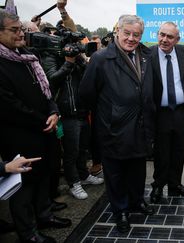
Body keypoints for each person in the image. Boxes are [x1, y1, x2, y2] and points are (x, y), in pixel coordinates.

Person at [0, 9, 72, 243]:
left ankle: (44, 216)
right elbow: (10, 105)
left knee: (44, 176)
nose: (22, 33)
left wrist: (53, 111)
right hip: (18, 136)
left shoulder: (27, 55)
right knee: (24, 186)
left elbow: (46, 90)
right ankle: (28, 233)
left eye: (21, 28)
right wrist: (45, 118)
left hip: (44, 130)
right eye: (14, 30)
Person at [79, 14, 155, 233]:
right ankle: (120, 209)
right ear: (117, 32)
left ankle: (136, 200)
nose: (131, 38)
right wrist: (111, 113)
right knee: (115, 173)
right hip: (114, 128)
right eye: (127, 33)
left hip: (141, 127)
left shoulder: (146, 55)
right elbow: (86, 94)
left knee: (138, 170)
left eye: (136, 34)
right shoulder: (101, 59)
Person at [41, 26, 104, 200]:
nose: (74, 46)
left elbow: (88, 75)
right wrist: (68, 61)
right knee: (71, 152)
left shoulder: (78, 57)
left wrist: (81, 59)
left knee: (83, 149)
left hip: (83, 110)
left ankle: (83, 176)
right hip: (66, 113)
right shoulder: (50, 56)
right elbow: (51, 80)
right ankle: (73, 182)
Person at [149, 21, 184, 203]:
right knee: (161, 152)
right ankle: (158, 186)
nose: (164, 39)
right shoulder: (148, 54)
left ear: (177, 39)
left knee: (179, 150)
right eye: (161, 35)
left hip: (182, 111)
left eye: (169, 36)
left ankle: (175, 185)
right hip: (160, 112)